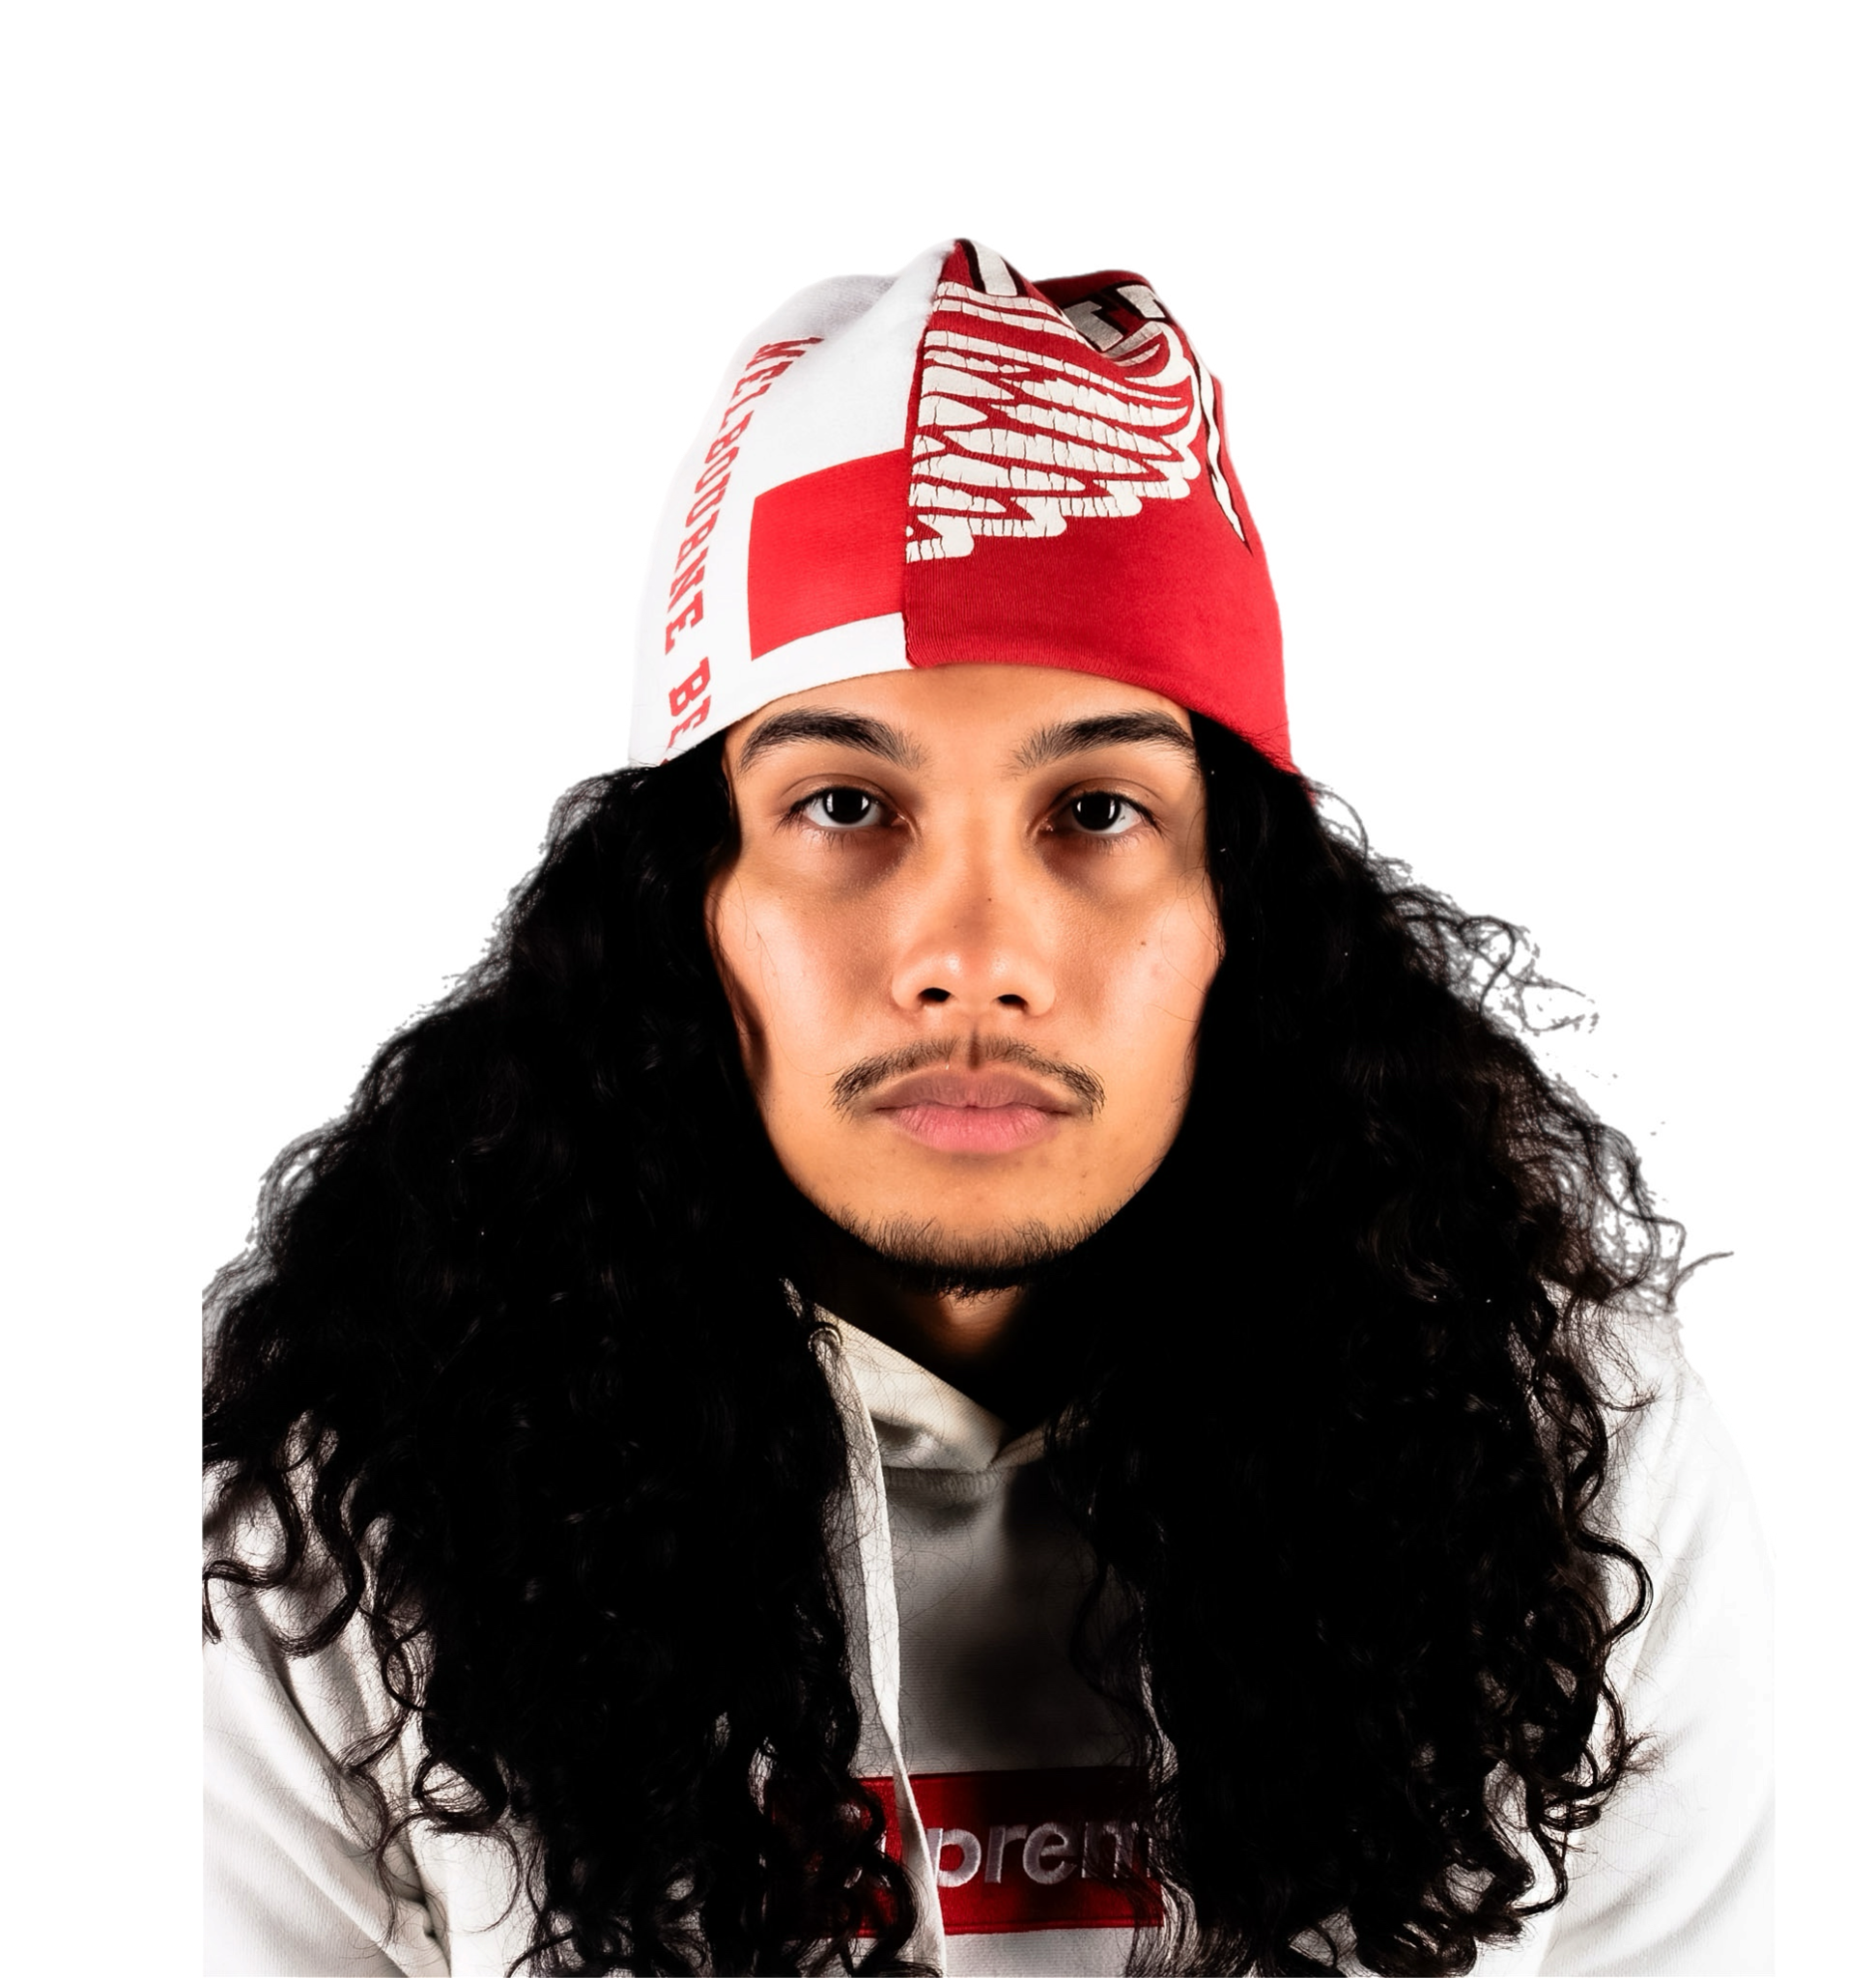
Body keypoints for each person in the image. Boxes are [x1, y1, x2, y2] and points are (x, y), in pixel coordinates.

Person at [202, 238, 1775, 1978]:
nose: (970, 959)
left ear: (1239, 915)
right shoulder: (328, 1563)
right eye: (844, 806)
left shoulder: (1582, 1479)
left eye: (1095, 812)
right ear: (684, 908)